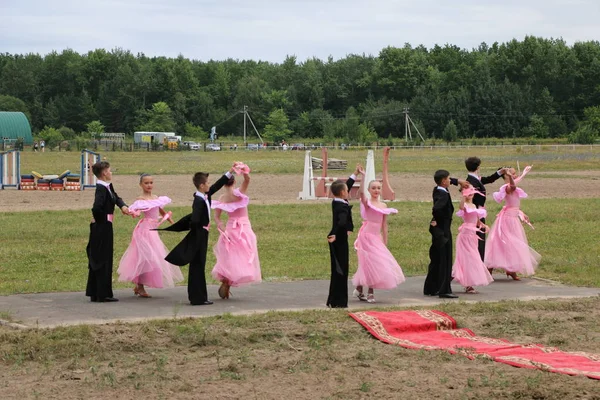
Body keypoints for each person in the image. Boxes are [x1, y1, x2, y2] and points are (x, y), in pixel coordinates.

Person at [160, 164, 235, 305]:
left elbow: (217, 185)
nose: (209, 184)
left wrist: (230, 172)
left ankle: (199, 296)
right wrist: (199, 230)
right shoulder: (199, 201)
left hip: (202, 233)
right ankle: (198, 298)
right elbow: (194, 220)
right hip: (199, 234)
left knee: (199, 264)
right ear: (201, 185)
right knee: (198, 265)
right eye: (207, 182)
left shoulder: (205, 195)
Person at [117, 174, 183, 298]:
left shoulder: (156, 198)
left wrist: (171, 221)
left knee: (152, 258)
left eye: (151, 183)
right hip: (145, 230)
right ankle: (140, 286)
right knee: (145, 257)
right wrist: (134, 213)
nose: (149, 185)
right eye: (146, 183)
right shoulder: (141, 199)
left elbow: (160, 210)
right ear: (141, 185)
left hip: (153, 230)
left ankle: (139, 285)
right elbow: (138, 210)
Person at [211, 162, 261, 299]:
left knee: (230, 256)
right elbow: (247, 180)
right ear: (233, 182)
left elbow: (216, 216)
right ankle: (233, 278)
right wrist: (244, 170)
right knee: (244, 255)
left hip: (230, 228)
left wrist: (220, 224)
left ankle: (227, 279)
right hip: (243, 228)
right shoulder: (239, 194)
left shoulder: (222, 198)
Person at [352, 178, 405, 304]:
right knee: (369, 263)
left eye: (378, 188)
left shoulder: (383, 205)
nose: (376, 190)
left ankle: (359, 289)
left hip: (376, 237)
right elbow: (360, 193)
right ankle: (370, 291)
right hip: (366, 236)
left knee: (377, 263)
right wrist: (363, 176)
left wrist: (385, 241)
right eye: (373, 188)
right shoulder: (367, 203)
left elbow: (384, 225)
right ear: (369, 190)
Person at [485, 166, 541, 280]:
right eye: (513, 174)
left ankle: (511, 269)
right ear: (506, 176)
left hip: (513, 218)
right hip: (507, 220)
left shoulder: (511, 186)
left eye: (515, 174)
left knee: (511, 243)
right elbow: (513, 187)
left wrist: (521, 213)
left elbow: (513, 204)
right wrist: (510, 177)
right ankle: (490, 267)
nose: (515, 176)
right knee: (505, 242)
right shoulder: (506, 187)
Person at [85, 161, 129, 302]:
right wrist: (98, 221)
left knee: (101, 257)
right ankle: (102, 293)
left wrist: (123, 206)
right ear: (104, 173)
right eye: (109, 170)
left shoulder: (107, 186)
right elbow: (96, 207)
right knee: (103, 258)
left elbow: (115, 197)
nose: (111, 172)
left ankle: (96, 292)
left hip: (105, 225)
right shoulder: (101, 188)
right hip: (103, 226)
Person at [423, 170, 470, 299]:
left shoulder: (438, 190)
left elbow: (444, 181)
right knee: (445, 260)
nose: (450, 180)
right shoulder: (443, 195)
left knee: (436, 258)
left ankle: (431, 288)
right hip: (443, 230)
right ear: (444, 181)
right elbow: (437, 209)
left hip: (438, 230)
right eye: (449, 179)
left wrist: (457, 181)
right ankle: (444, 290)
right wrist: (436, 221)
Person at [325, 164, 362, 308]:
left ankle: (334, 300)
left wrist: (355, 174)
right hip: (339, 240)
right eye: (347, 190)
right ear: (342, 193)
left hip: (338, 238)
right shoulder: (341, 207)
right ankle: (339, 301)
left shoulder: (337, 201)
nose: (349, 190)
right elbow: (340, 222)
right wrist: (335, 233)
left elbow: (346, 185)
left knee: (337, 269)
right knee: (341, 269)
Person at [464, 157, 504, 273]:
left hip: (478, 213)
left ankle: (478, 266)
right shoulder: (472, 182)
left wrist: (499, 173)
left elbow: (488, 179)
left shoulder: (474, 179)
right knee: (478, 240)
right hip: (476, 215)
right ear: (478, 167)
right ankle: (476, 267)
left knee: (480, 240)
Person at [452, 186, 494, 294]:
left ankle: (461, 281)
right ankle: (466, 284)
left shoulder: (474, 205)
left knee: (472, 258)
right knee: (468, 258)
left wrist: (483, 225)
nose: (470, 193)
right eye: (467, 192)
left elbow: (477, 221)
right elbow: (461, 207)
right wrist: (463, 197)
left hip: (472, 236)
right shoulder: (465, 205)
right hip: (465, 235)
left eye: (471, 191)